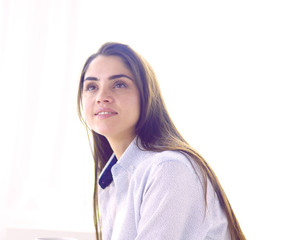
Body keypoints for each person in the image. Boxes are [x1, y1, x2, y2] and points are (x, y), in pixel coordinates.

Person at [77, 42, 246, 240]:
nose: (101, 96)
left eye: (119, 84)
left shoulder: (168, 168)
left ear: (146, 94)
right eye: (91, 87)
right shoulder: (115, 177)